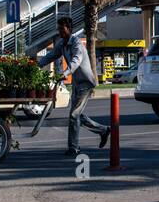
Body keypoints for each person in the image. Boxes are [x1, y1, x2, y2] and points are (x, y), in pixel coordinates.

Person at [38, 16, 110, 156]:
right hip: (77, 83)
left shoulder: (77, 44)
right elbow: (52, 55)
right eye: (58, 29)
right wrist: (37, 65)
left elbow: (76, 61)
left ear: (69, 29)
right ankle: (103, 130)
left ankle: (74, 147)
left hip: (86, 83)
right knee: (77, 114)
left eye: (62, 29)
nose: (60, 31)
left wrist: (65, 73)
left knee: (74, 114)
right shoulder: (61, 44)